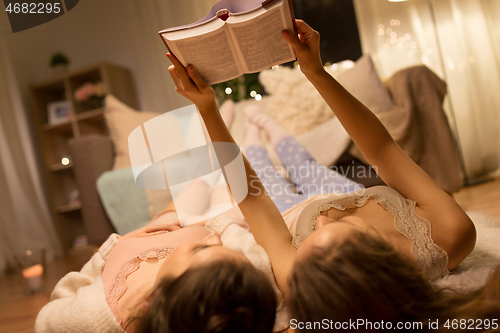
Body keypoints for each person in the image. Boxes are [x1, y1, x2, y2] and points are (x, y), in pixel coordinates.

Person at [165, 18, 500, 332]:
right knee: (304, 164)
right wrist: (315, 71)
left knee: (264, 171)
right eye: (343, 230)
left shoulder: (303, 283)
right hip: (346, 189)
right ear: (385, 258)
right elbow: (383, 149)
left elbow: (253, 198)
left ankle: (255, 137)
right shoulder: (450, 234)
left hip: (289, 211)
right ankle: (272, 131)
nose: (325, 220)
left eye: (311, 244)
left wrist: (206, 108)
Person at [34, 175, 278, 333]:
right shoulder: (240, 291)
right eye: (222, 249)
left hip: (164, 224)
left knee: (196, 191)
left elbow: (50, 313)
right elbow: (259, 260)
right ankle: (211, 173)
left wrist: (110, 251)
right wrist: (219, 227)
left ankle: (206, 174)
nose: (214, 241)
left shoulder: (94, 317)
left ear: (151, 300)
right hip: (220, 221)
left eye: (201, 249)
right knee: (222, 189)